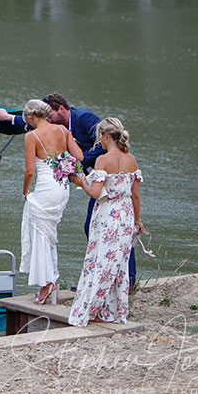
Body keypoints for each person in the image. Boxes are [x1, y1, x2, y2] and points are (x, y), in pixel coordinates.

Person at [0, 92, 136, 283]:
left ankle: (126, 277)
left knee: (113, 230)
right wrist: (9, 118)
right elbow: (38, 123)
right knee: (93, 228)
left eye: (51, 115)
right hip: (81, 183)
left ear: (61, 109)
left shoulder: (85, 119)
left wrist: (78, 167)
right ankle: (100, 277)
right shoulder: (60, 129)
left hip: (104, 177)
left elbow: (104, 143)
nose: (49, 119)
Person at [67, 117, 142, 326]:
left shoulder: (103, 160)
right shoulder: (131, 160)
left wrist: (80, 181)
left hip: (108, 214)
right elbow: (135, 195)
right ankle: (114, 310)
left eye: (100, 136)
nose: (99, 140)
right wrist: (137, 220)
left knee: (99, 261)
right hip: (126, 214)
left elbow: (94, 192)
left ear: (107, 136)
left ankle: (92, 309)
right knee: (118, 263)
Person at [19, 98, 86, 305]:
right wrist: (65, 164)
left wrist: (25, 191)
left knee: (40, 233)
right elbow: (80, 156)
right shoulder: (62, 130)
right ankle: (51, 278)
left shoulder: (31, 136)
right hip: (62, 186)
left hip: (46, 187)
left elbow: (30, 171)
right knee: (48, 233)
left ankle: (47, 282)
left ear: (31, 116)